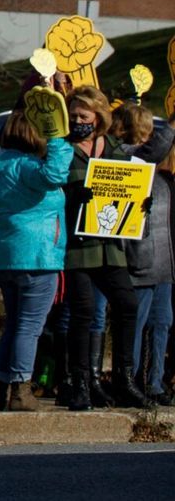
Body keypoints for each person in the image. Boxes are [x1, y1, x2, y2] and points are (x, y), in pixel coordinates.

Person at [60, 90, 175, 408]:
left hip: (110, 246)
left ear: (98, 117)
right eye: (74, 115)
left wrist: (140, 201)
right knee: (83, 312)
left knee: (127, 304)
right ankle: (80, 383)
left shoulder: (113, 150)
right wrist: (72, 198)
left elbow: (135, 174)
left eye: (84, 116)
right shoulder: (64, 149)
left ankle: (124, 379)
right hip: (78, 247)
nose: (78, 121)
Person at [0, 92, 74, 411]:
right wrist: (59, 140)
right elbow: (56, 175)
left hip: (7, 256)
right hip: (37, 256)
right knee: (29, 326)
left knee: (14, 323)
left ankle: (0, 387)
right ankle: (21, 389)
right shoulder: (29, 168)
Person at [126, 111, 175, 405]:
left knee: (162, 322)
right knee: (137, 323)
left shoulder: (162, 175)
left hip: (165, 264)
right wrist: (171, 125)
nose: (149, 138)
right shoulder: (128, 159)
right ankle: (130, 382)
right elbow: (152, 152)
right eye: (145, 131)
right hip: (141, 260)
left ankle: (154, 383)